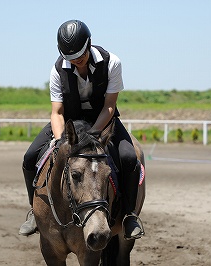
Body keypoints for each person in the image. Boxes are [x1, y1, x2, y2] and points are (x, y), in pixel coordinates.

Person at [19, 19, 144, 240]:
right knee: (29, 158)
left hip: (102, 120)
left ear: (89, 44)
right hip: (69, 123)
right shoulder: (57, 70)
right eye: (71, 57)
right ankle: (33, 211)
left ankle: (129, 216)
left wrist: (93, 135)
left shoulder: (112, 62)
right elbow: (57, 113)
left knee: (128, 158)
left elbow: (109, 106)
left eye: (80, 54)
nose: (77, 60)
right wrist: (61, 142)